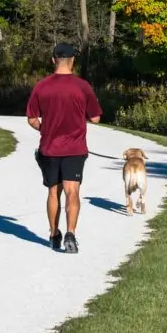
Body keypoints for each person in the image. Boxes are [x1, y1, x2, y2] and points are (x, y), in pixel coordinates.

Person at [26, 43, 102, 253]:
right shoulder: (82, 86)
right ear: (73, 61)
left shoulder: (41, 86)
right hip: (75, 149)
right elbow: (95, 118)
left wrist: (44, 129)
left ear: (53, 60)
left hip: (50, 148)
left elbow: (32, 119)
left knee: (53, 193)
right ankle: (71, 233)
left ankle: (53, 234)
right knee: (72, 191)